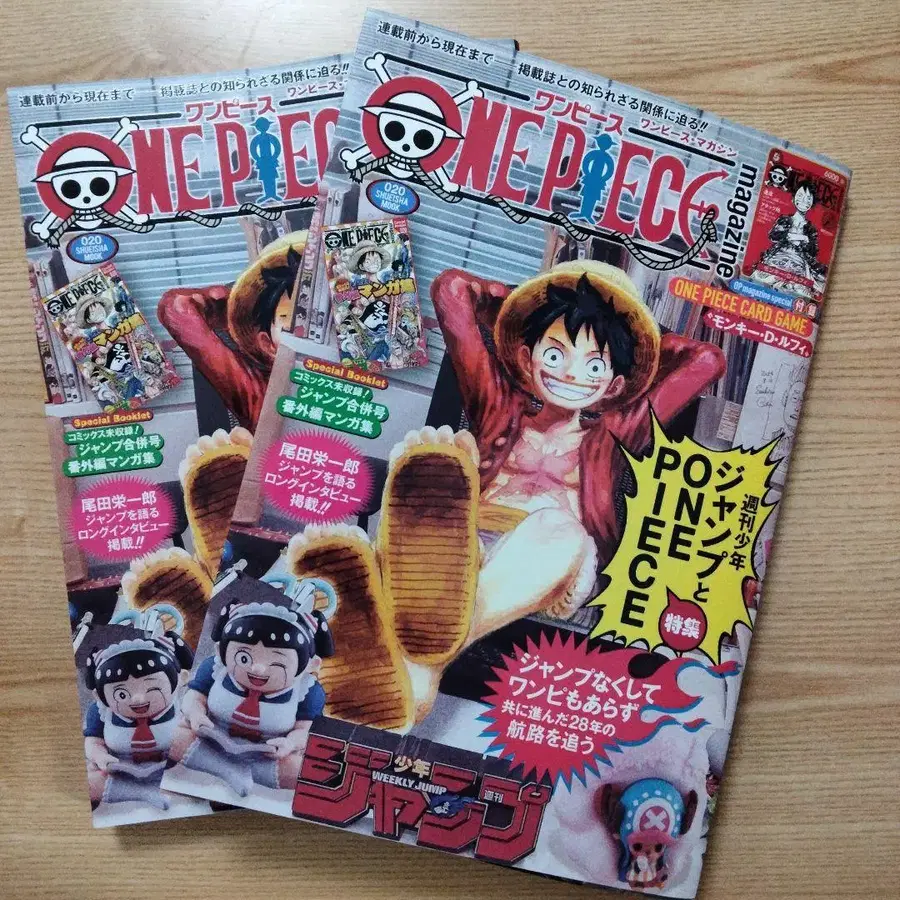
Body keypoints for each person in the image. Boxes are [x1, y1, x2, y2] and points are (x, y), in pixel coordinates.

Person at [158, 236, 305, 430]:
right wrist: (231, 306)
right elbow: (178, 306)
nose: (305, 329)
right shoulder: (257, 393)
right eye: (290, 319)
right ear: (267, 344)